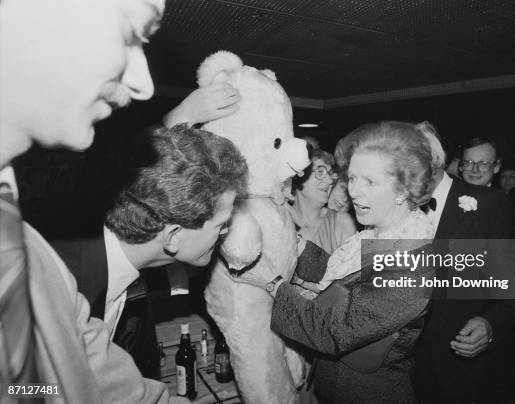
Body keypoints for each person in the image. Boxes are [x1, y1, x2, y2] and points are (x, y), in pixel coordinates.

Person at [0, 0, 224, 401]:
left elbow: (82, 384)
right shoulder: (47, 252)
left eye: (365, 180)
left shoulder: (31, 249)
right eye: (131, 33)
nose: (144, 84)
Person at [236, 121, 437, 403]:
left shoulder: (413, 262)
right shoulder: (383, 236)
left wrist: (273, 285)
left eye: (369, 181)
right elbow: (347, 279)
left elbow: (333, 330)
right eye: (352, 178)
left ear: (403, 190)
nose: (353, 191)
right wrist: (292, 242)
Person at [53, 125, 247, 374]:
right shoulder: (59, 283)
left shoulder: (130, 270)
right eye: (221, 224)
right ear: (173, 237)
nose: (225, 232)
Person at [415, 122, 515, 403]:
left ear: (437, 157)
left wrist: (490, 325)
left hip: (462, 358)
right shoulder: (394, 202)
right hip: (404, 363)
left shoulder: (488, 203)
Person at [287, 149, 357, 292]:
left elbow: (350, 289)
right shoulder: (276, 218)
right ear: (297, 176)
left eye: (330, 174)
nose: (330, 180)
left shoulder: (341, 223)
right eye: (320, 172)